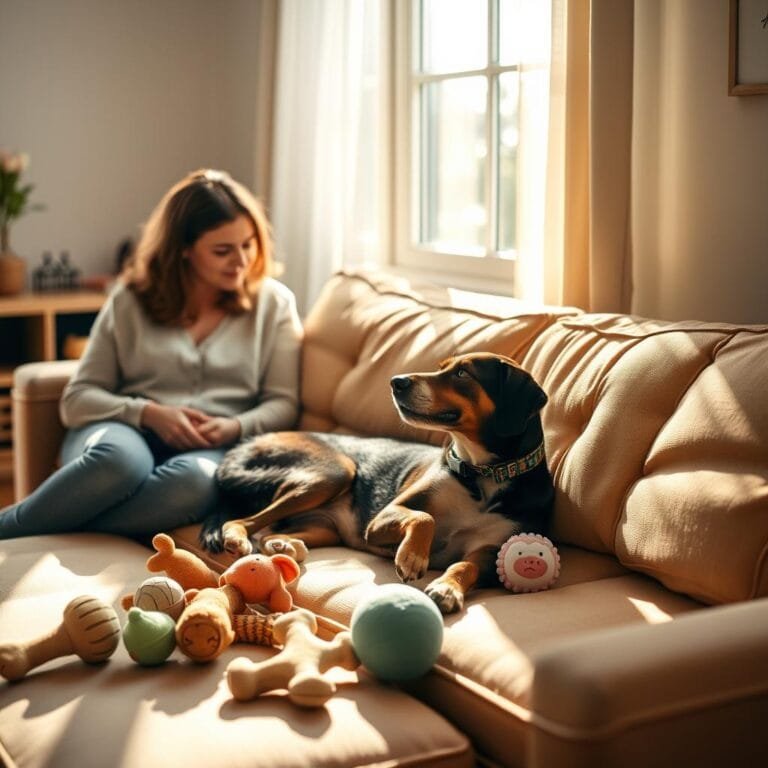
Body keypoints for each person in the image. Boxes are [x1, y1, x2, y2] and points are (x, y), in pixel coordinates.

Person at [0, 169, 302, 540]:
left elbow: (283, 402)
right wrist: (147, 413)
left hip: (214, 447)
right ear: (184, 250)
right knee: (118, 461)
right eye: (222, 250)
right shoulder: (130, 300)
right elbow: (77, 400)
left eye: (248, 244)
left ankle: (56, 522)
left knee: (197, 482)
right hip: (123, 432)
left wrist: (234, 427)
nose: (240, 261)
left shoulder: (274, 304)